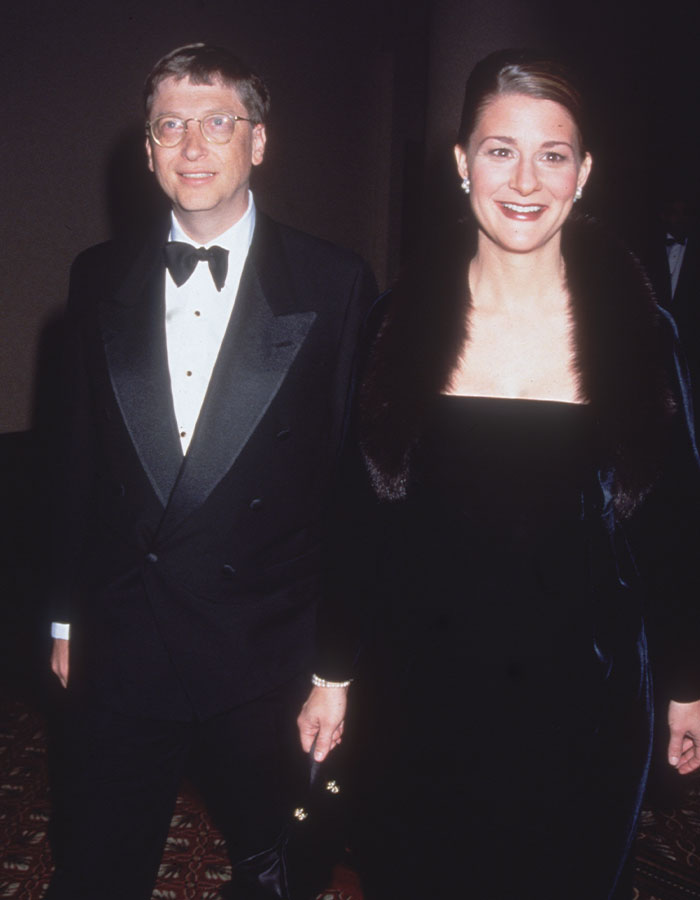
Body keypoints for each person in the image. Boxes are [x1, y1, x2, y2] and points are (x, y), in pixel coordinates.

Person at [297, 49, 700, 899]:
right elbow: (356, 517)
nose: (525, 179)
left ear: (584, 173)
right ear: (460, 163)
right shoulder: (395, 325)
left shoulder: (640, 333)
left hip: (586, 708)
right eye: (498, 149)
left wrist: (686, 685)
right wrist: (331, 674)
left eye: (552, 154)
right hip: (423, 701)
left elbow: (676, 522)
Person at [45, 43, 375, 900]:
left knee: (277, 869)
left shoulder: (336, 282)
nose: (193, 145)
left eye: (217, 122)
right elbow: (75, 460)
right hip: (125, 638)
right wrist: (63, 621)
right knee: (96, 867)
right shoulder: (95, 277)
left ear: (258, 142)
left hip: (265, 649)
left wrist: (335, 670)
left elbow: (353, 489)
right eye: (171, 126)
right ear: (148, 149)